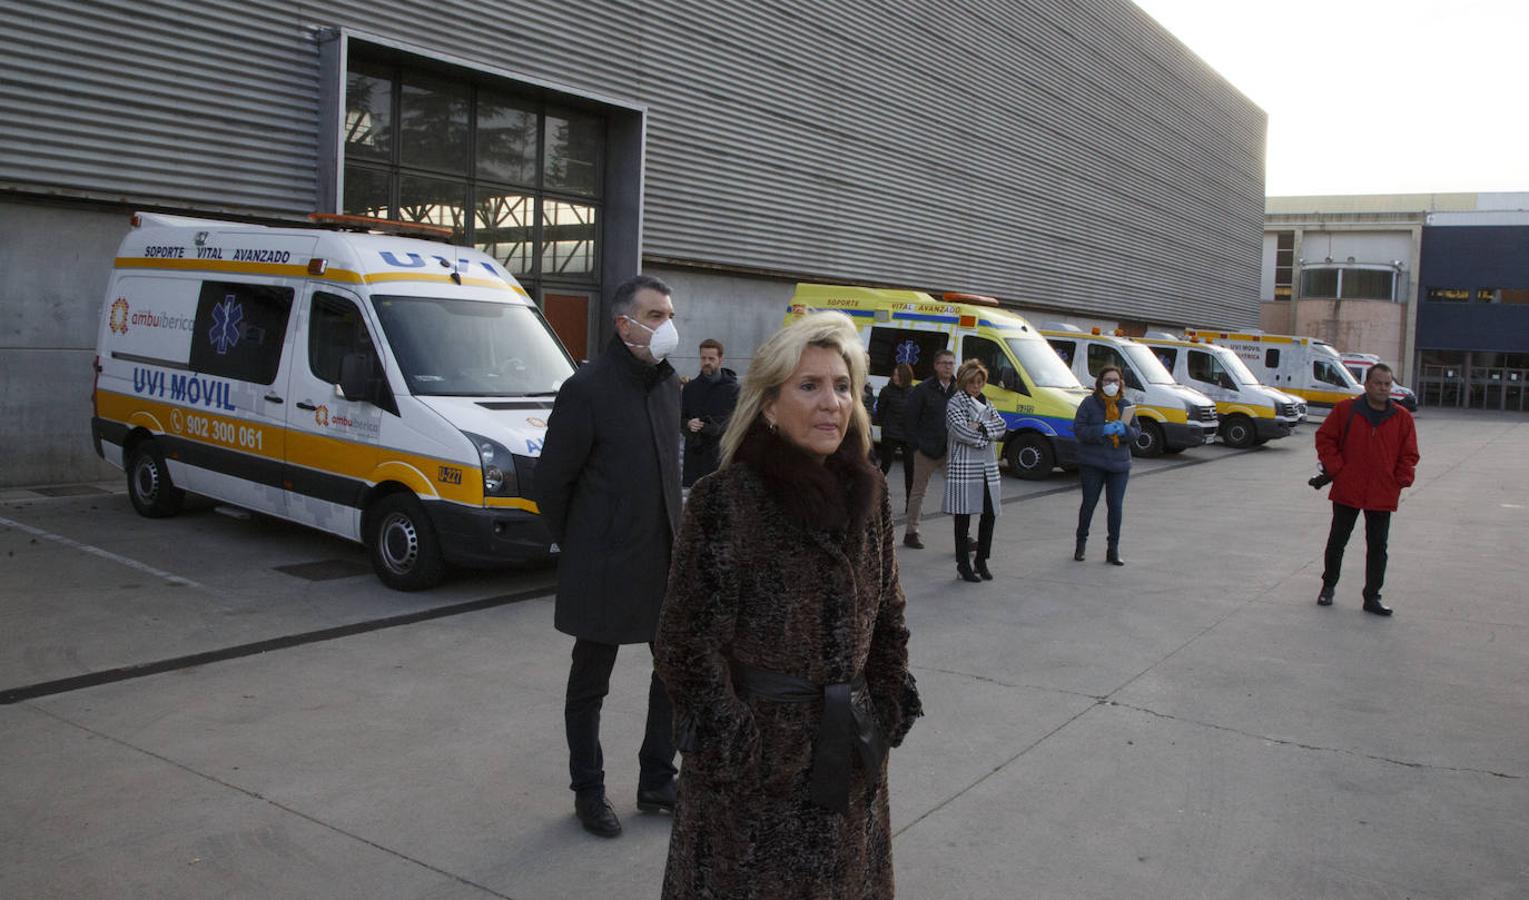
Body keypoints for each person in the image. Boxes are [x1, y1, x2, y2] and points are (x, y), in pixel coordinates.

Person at [655, 312, 922, 899]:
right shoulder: (726, 499)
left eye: (842, 386)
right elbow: (684, 642)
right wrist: (738, 744)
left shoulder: (868, 494)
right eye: (810, 386)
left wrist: (882, 704)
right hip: (754, 775)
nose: (832, 402)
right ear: (770, 405)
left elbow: (889, 619)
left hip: (851, 752)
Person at [534, 274, 682, 838]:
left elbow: (671, 474)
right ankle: (589, 792)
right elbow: (552, 482)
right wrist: (585, 543)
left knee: (671, 675)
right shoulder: (587, 389)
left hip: (663, 560)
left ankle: (656, 780)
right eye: (655, 315)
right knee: (590, 684)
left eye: (670, 314)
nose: (667, 325)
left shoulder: (669, 386)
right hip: (603, 565)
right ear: (624, 325)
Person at [1315, 363, 1419, 616]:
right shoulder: (1346, 410)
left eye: (1388, 384)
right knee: (1338, 541)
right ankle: (1328, 587)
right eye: (1378, 383)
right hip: (1348, 488)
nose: (1384, 388)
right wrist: (1338, 468)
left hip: (1382, 492)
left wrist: (1400, 479)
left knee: (1377, 547)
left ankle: (1372, 597)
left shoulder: (1402, 418)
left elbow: (1409, 453)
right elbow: (1325, 438)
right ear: (1367, 385)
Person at [942, 359, 1005, 582]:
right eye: (972, 382)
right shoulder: (955, 403)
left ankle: (981, 560)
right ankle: (962, 564)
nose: (976, 387)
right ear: (963, 382)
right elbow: (960, 431)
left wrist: (981, 427)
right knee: (963, 518)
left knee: (989, 514)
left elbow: (1001, 426)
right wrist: (984, 436)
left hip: (987, 467)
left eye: (980, 382)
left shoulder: (986, 402)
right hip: (964, 467)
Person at [1073, 365, 1139, 566]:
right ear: (1100, 383)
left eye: (1115, 381)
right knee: (1089, 503)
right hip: (1092, 462)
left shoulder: (1126, 405)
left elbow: (1137, 432)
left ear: (1121, 384)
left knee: (1116, 507)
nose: (1112, 384)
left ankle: (1113, 549)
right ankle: (1081, 543)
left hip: (1118, 465)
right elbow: (1079, 429)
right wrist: (1102, 430)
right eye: (1108, 381)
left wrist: (1124, 431)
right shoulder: (1089, 404)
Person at [901, 349, 958, 548]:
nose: (948, 367)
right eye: (944, 363)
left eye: (951, 363)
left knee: (956, 491)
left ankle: (963, 535)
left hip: (949, 450)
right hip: (925, 450)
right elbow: (909, 419)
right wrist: (916, 446)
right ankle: (911, 532)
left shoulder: (958, 389)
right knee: (918, 492)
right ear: (936, 366)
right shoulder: (923, 389)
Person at [680, 338, 739, 487]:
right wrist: (688, 423)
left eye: (711, 358)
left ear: (720, 359)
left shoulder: (734, 390)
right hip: (696, 458)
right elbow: (679, 418)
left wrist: (708, 425)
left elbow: (736, 422)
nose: (706, 362)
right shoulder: (690, 389)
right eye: (703, 358)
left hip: (721, 456)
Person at [875, 363, 916, 509]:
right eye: (894, 374)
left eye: (898, 375)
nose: (895, 377)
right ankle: (875, 496)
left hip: (907, 435)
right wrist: (886, 425)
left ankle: (910, 504)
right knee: (885, 466)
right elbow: (880, 411)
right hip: (890, 434)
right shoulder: (887, 391)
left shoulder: (913, 392)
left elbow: (916, 414)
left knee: (910, 470)